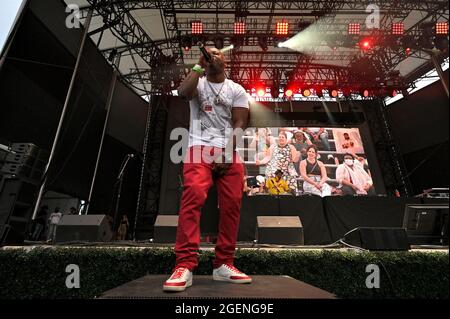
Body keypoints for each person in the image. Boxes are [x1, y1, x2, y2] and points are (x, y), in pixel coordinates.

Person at [163, 47, 251, 292]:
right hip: (198, 147)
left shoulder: (236, 89)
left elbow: (240, 121)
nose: (214, 56)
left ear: (225, 59)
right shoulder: (198, 83)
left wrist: (227, 151)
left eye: (217, 53)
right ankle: (184, 265)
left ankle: (224, 263)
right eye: (209, 53)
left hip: (228, 150)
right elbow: (182, 93)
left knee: (232, 204)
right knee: (193, 197)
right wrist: (198, 66)